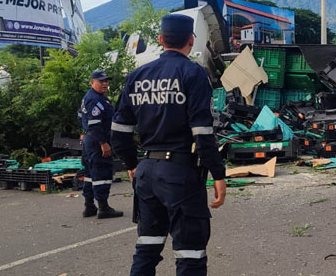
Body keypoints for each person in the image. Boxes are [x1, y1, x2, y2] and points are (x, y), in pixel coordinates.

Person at [110, 14, 227, 276]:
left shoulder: (137, 76)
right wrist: (218, 174)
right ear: (191, 40)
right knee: (190, 253)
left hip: (146, 172)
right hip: (179, 174)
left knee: (147, 247)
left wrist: (131, 164)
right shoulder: (193, 73)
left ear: (161, 40)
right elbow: (203, 132)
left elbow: (118, 133)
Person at [79, 69, 124, 219]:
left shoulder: (91, 97)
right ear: (92, 82)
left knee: (90, 174)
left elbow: (81, 117)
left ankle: (89, 206)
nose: (104, 83)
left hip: (90, 140)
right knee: (102, 173)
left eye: (106, 81)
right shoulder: (96, 100)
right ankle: (103, 207)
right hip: (97, 141)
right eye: (101, 81)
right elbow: (95, 124)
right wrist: (104, 143)